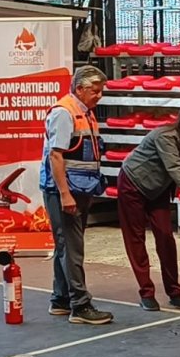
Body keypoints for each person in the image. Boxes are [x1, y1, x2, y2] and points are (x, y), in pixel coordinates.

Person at [117, 100, 180, 311]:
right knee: (135, 239)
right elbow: (176, 172)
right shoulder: (166, 137)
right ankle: (146, 292)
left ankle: (174, 291)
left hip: (158, 188)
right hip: (133, 183)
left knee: (165, 237)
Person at [40, 65, 114, 325]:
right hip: (65, 190)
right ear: (80, 89)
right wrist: (64, 194)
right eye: (95, 91)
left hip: (80, 188)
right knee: (72, 248)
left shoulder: (85, 113)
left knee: (65, 245)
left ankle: (61, 299)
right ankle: (80, 306)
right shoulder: (64, 113)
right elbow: (56, 155)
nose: (99, 95)